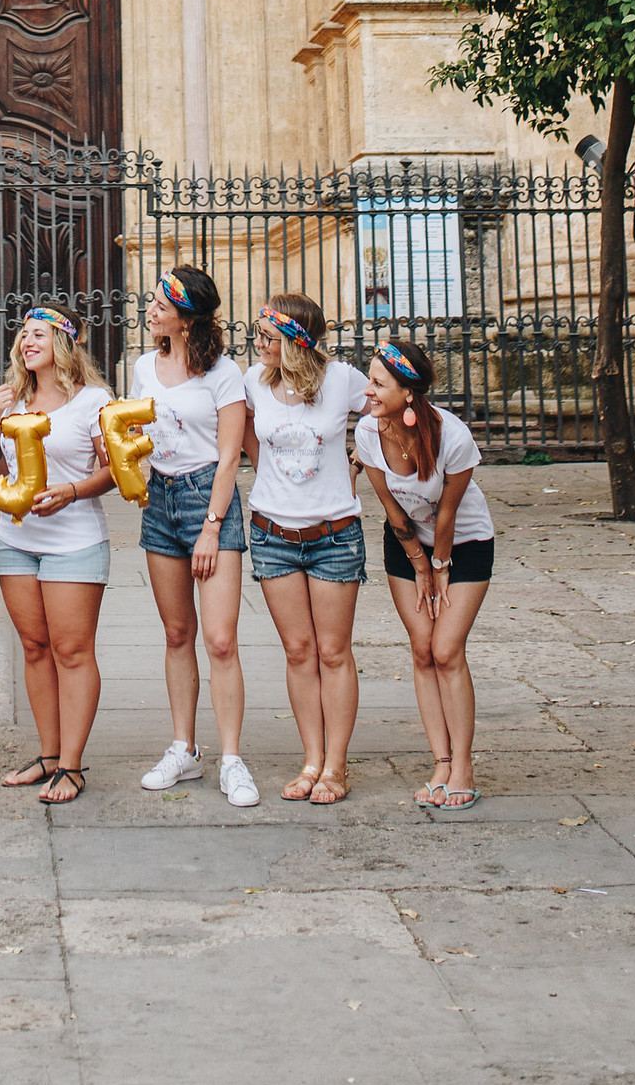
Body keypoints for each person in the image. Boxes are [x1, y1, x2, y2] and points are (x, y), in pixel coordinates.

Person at [126, 267, 256, 806]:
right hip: (160, 499)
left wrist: (211, 529)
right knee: (176, 634)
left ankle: (231, 758)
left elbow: (230, 455)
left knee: (220, 640)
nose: (150, 310)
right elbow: (135, 434)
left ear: (186, 317)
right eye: (152, 302)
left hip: (209, 499)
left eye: (159, 304)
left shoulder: (224, 373)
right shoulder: (143, 367)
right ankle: (185, 748)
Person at [0, 300, 116, 806]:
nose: (27, 340)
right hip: (17, 542)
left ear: (64, 342)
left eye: (40, 333)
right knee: (35, 649)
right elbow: (0, 471)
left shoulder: (93, 401)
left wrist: (72, 491)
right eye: (24, 333)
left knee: (72, 651)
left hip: (75, 541)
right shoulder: (12, 400)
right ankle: (47, 754)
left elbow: (113, 472)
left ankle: (73, 764)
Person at [356, 338, 496, 811]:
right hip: (406, 544)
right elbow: (392, 509)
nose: (368, 391)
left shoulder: (453, 438)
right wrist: (417, 562)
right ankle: (441, 761)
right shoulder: (368, 433)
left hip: (465, 544)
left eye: (378, 384)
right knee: (421, 649)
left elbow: (448, 515)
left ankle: (464, 766)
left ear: (408, 393)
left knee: (446, 648)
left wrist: (439, 568)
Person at [242, 291, 368, 806]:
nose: (258, 342)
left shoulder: (341, 380)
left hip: (334, 535)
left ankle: (336, 767)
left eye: (268, 335)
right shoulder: (254, 381)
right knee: (298, 652)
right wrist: (264, 471)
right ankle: (311, 758)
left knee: (334, 652)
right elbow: (244, 435)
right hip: (273, 535)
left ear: (296, 339)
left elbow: (388, 407)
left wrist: (361, 462)